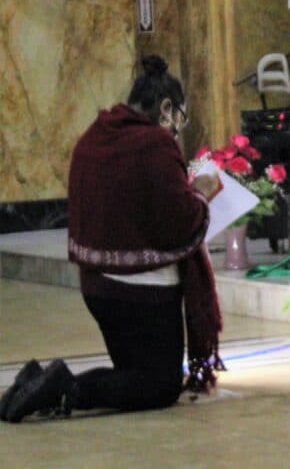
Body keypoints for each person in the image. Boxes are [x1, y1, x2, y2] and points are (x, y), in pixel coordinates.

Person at [0, 55, 223, 424]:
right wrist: (200, 193)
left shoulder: (96, 134)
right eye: (178, 117)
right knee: (159, 386)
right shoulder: (154, 145)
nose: (176, 128)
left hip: (98, 287)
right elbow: (180, 221)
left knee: (134, 374)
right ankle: (61, 388)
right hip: (142, 292)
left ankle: (35, 381)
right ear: (166, 107)